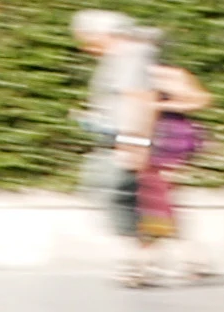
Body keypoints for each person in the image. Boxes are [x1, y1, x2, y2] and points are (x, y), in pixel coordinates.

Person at [70, 10, 213, 287]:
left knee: (152, 202)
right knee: (151, 202)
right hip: (148, 141)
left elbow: (199, 99)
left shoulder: (159, 70)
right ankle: (178, 259)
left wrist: (157, 111)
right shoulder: (128, 64)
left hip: (164, 142)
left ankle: (148, 263)